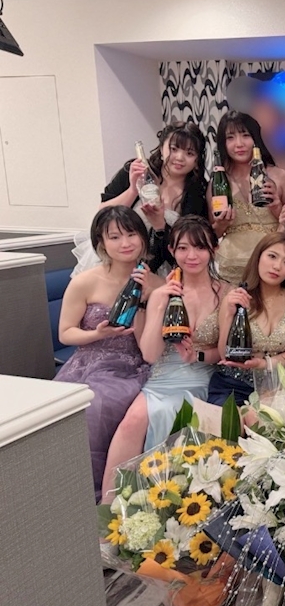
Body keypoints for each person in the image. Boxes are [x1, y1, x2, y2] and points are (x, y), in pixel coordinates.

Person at [101, 216, 230, 502]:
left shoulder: (226, 293)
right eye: (183, 248)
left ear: (214, 249)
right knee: (132, 421)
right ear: (172, 251)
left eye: (200, 247)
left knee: (182, 412)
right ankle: (111, 508)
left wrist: (197, 355)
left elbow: (224, 353)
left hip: (205, 375)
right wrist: (159, 302)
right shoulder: (161, 293)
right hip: (163, 375)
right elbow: (149, 354)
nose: (191, 256)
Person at [55, 206, 163, 502]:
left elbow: (149, 346)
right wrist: (97, 334)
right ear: (101, 243)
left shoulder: (157, 284)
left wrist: (145, 300)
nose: (125, 243)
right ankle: (63, 486)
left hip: (132, 365)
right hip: (88, 361)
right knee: (63, 409)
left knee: (99, 405)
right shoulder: (85, 281)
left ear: (143, 238)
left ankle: (101, 493)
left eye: (131, 234)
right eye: (115, 237)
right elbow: (66, 333)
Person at [73, 122, 209, 277]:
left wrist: (161, 226)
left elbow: (191, 241)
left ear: (197, 159)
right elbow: (103, 215)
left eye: (189, 153)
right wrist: (133, 189)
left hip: (162, 265)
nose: (179, 158)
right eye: (174, 149)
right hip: (118, 257)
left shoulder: (197, 193)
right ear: (162, 148)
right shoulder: (136, 171)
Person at [211, 233, 285, 406]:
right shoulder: (236, 297)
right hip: (234, 383)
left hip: (282, 385)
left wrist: (265, 364)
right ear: (258, 257)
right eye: (272, 256)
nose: (277, 266)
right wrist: (229, 313)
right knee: (229, 418)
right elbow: (224, 354)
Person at [211, 111, 285, 284]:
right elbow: (211, 234)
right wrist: (221, 224)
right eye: (230, 137)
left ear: (257, 138)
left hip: (272, 266)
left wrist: (277, 207)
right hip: (231, 267)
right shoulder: (219, 181)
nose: (239, 144)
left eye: (245, 135)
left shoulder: (279, 176)